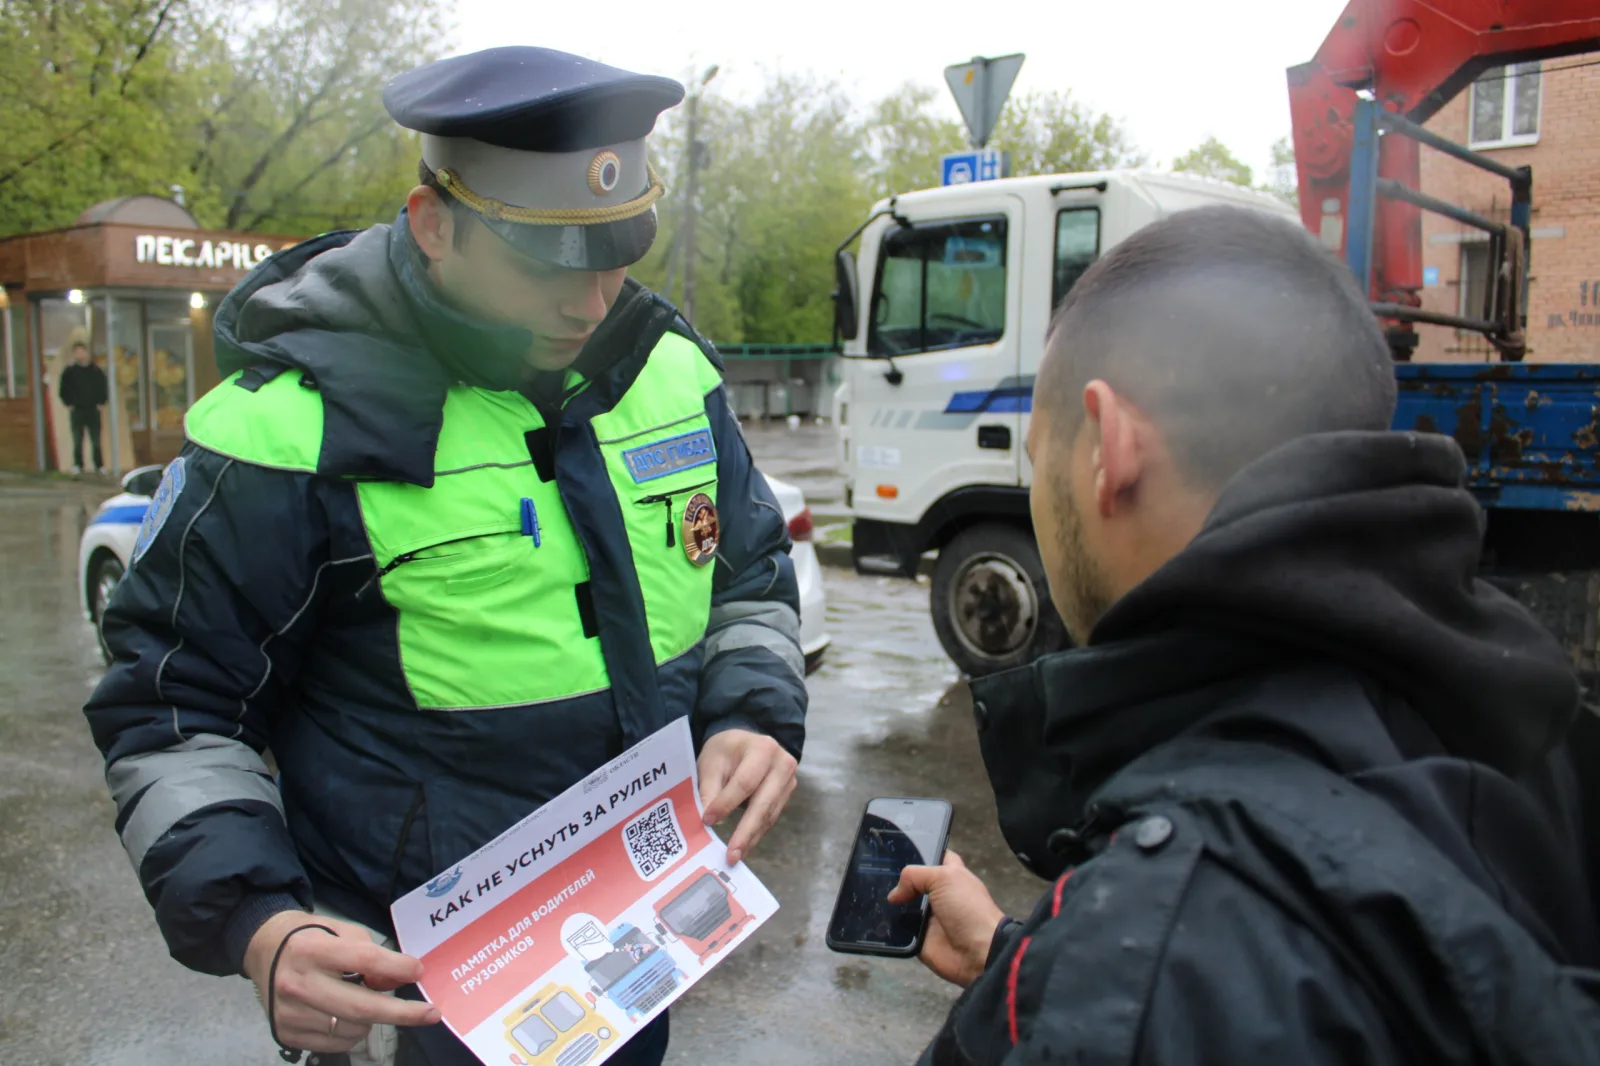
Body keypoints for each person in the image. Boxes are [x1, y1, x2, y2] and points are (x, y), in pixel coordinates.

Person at [82, 46, 807, 1066]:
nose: (591, 303)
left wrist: (750, 713)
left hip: (630, 968)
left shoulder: (669, 370)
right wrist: (261, 924)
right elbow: (172, 708)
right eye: (545, 264)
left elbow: (750, 574)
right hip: (407, 1014)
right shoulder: (291, 431)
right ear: (435, 228)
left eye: (615, 254)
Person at [890, 204, 1600, 1063]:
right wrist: (1021, 962)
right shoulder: (1522, 730)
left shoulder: (1168, 932)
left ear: (1108, 447)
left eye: (1041, 461)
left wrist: (1088, 982)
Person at [57, 340, 107, 474]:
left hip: (93, 409)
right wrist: (68, 404)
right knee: (77, 439)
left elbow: (103, 387)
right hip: (77, 410)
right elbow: (63, 390)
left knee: (96, 440)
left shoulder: (95, 370)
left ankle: (99, 465)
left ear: (87, 353)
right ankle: (78, 465)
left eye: (82, 351)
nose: (80, 354)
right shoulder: (70, 372)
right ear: (74, 354)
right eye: (77, 352)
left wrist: (101, 402)